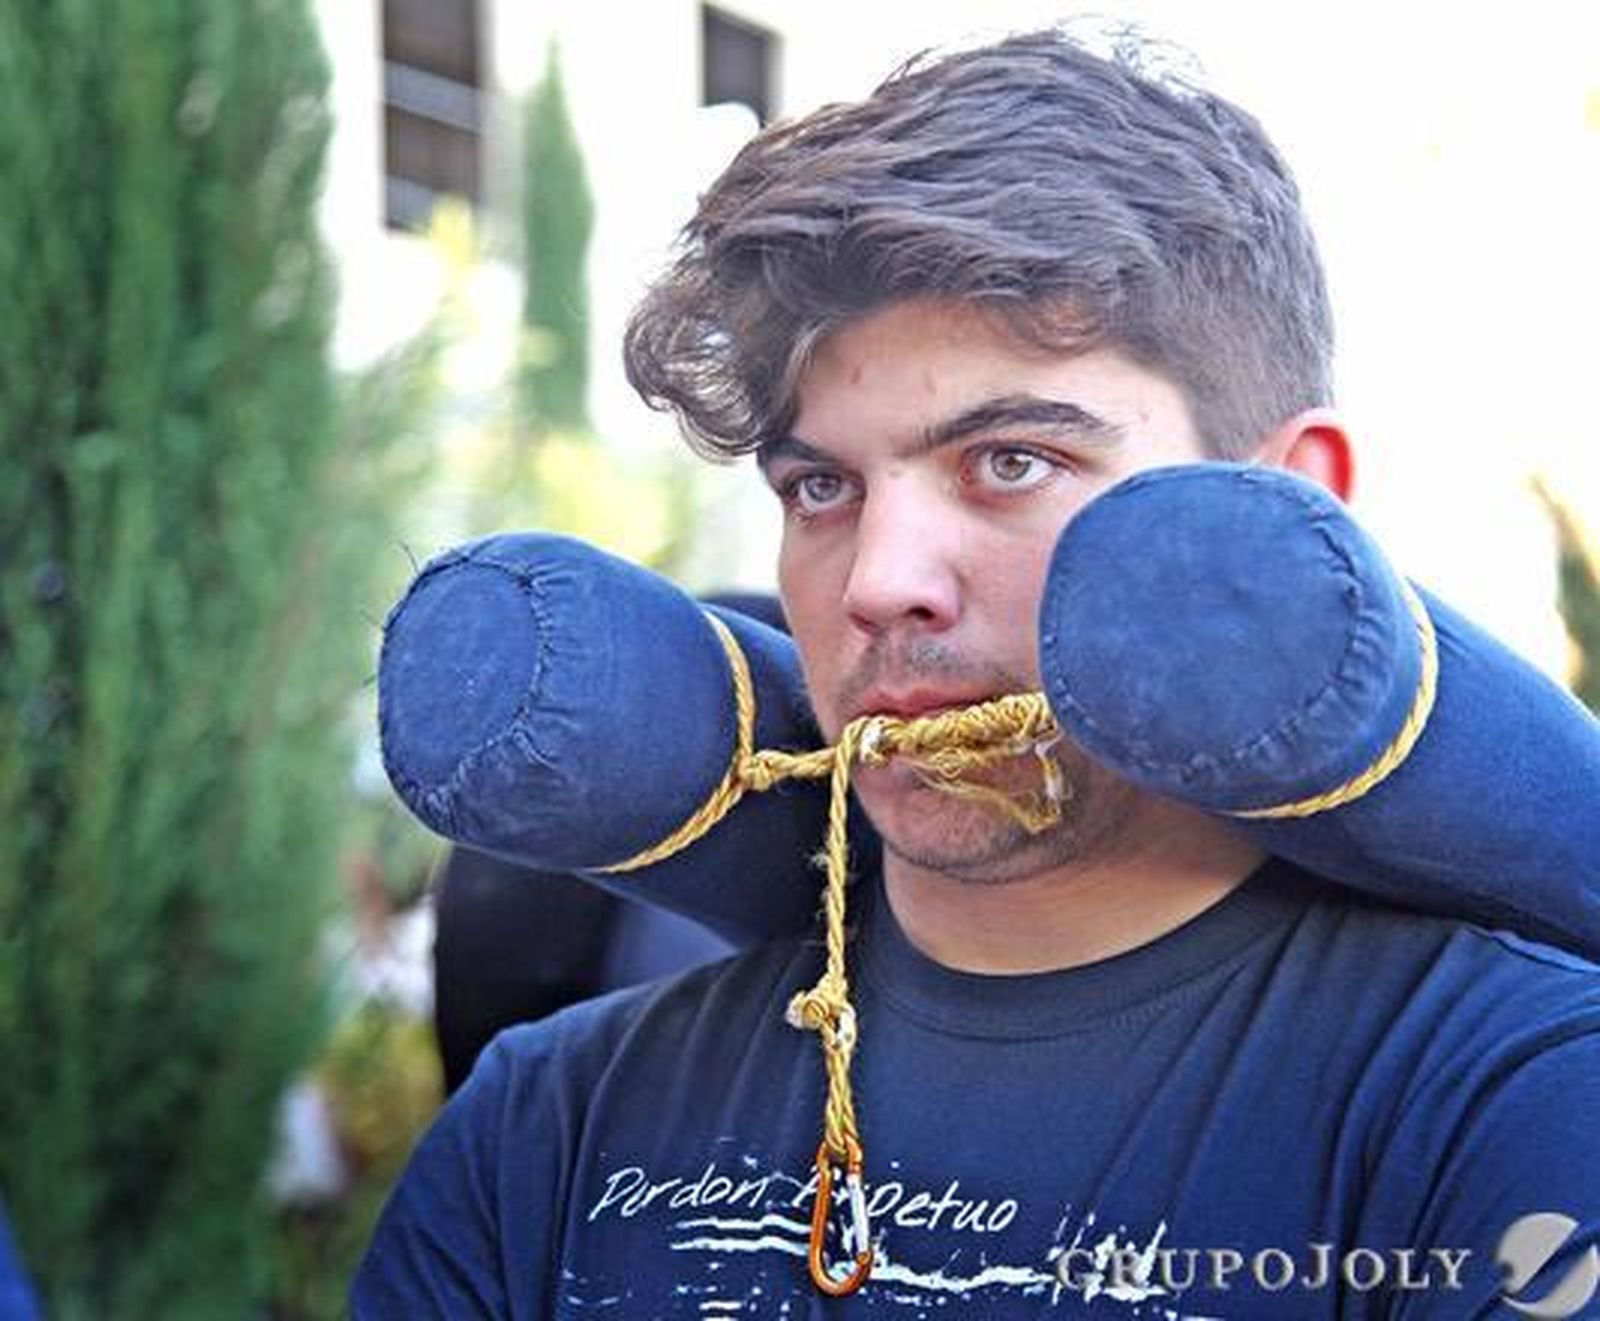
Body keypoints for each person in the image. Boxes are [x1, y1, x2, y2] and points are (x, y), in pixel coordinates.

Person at [354, 28, 1600, 1316]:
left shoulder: (1517, 1105)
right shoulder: (549, 1127)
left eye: (1010, 460)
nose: (878, 579)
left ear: (1286, 504)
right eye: (820, 486)